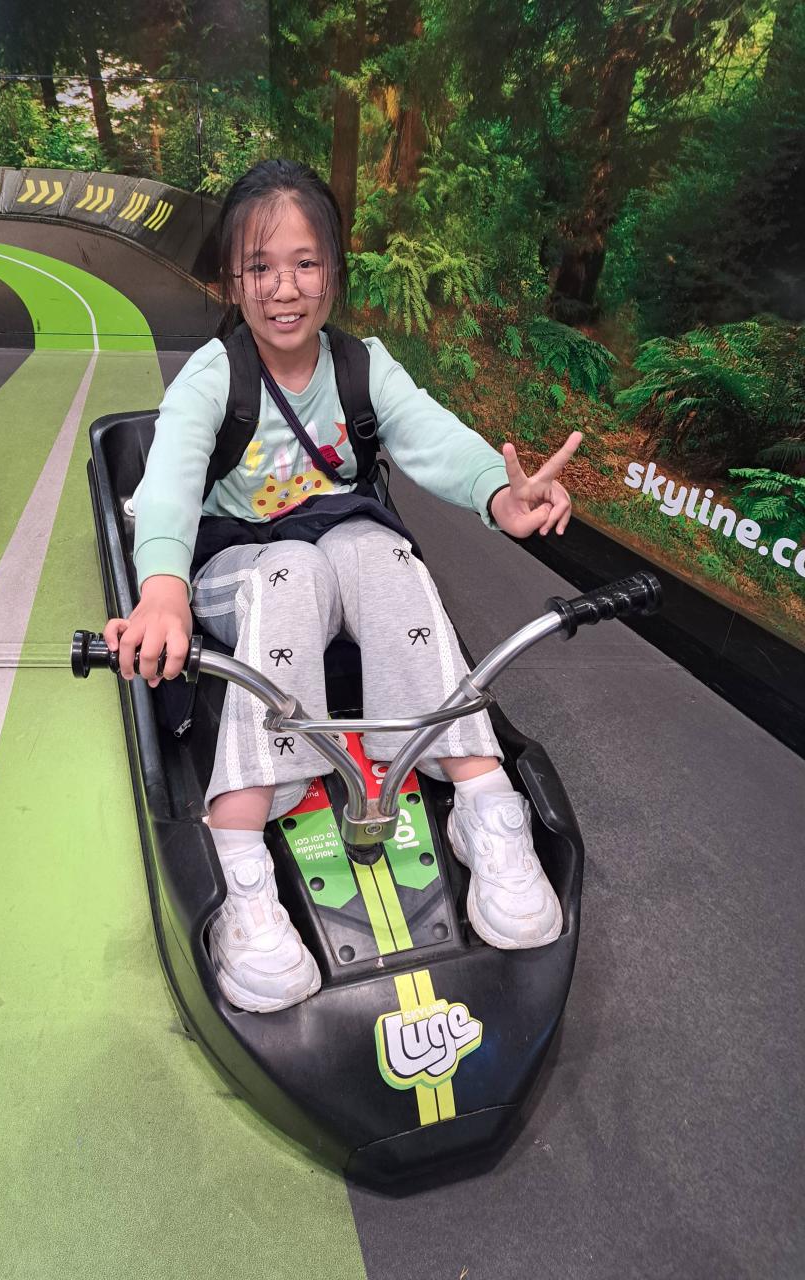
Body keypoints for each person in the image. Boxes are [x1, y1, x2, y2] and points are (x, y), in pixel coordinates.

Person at [105, 158, 581, 1014]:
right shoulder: (215, 377)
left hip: (339, 551)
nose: (284, 288)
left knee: (384, 552)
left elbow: (434, 437)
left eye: (305, 263)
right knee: (293, 571)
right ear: (231, 280)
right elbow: (170, 482)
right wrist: (164, 589)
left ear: (333, 270)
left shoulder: (363, 367)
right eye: (259, 267)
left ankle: (484, 802)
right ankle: (238, 852)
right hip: (241, 564)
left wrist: (498, 493)